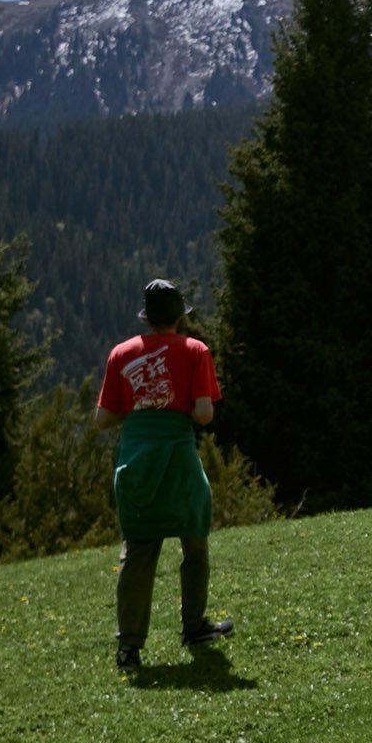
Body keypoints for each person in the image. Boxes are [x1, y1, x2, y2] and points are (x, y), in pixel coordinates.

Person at [94, 279, 231, 672]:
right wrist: (175, 402)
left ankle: (129, 649)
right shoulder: (195, 351)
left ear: (147, 318)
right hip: (177, 458)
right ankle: (195, 627)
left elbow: (102, 419)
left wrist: (142, 406)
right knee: (195, 541)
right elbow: (204, 414)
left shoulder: (121, 354)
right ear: (180, 317)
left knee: (138, 552)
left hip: (135, 460)